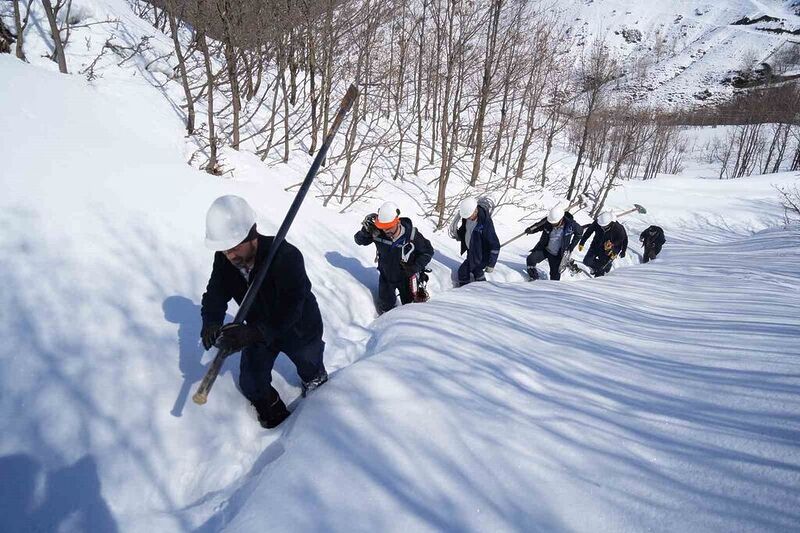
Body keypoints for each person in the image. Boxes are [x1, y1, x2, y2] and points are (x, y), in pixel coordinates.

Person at [200, 195, 328, 429]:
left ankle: (316, 389)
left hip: (299, 327)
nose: (230, 255)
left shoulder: (286, 256)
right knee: (251, 382)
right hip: (256, 328)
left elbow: (292, 307)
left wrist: (254, 333)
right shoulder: (224, 260)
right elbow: (215, 294)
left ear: (252, 235)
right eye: (224, 250)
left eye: (235, 247)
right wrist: (211, 322)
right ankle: (274, 414)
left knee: (310, 366)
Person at [354, 201, 434, 314]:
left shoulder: (411, 235)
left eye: (389, 227)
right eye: (383, 227)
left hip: (407, 278)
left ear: (397, 221)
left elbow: (428, 251)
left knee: (410, 309)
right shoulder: (377, 233)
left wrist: (415, 267)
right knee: (386, 307)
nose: (386, 231)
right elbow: (359, 241)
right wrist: (365, 232)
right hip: (386, 277)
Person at [524, 205, 583, 280]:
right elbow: (538, 226)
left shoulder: (571, 225)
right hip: (545, 249)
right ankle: (534, 278)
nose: (552, 224)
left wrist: (570, 248)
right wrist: (531, 230)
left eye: (554, 223)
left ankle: (552, 289)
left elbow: (579, 233)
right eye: (551, 223)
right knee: (531, 259)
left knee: (555, 275)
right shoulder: (548, 220)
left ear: (561, 219)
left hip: (557, 254)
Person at [454, 197, 501, 286]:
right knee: (476, 271)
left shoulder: (485, 223)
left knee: (463, 272)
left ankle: (467, 291)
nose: (468, 218)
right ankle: (483, 288)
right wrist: (459, 235)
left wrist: (491, 264)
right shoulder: (468, 218)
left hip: (482, 256)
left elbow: (495, 245)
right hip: (472, 253)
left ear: (475, 210)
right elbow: (466, 230)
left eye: (469, 216)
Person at [578, 211, 628, 277]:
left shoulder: (618, 228)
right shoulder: (597, 222)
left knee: (603, 269)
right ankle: (598, 268)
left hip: (609, 250)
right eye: (601, 226)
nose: (602, 228)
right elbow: (588, 231)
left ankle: (601, 273)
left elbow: (624, 239)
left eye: (604, 227)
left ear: (610, 223)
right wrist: (582, 242)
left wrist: (622, 250)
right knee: (587, 261)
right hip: (596, 245)